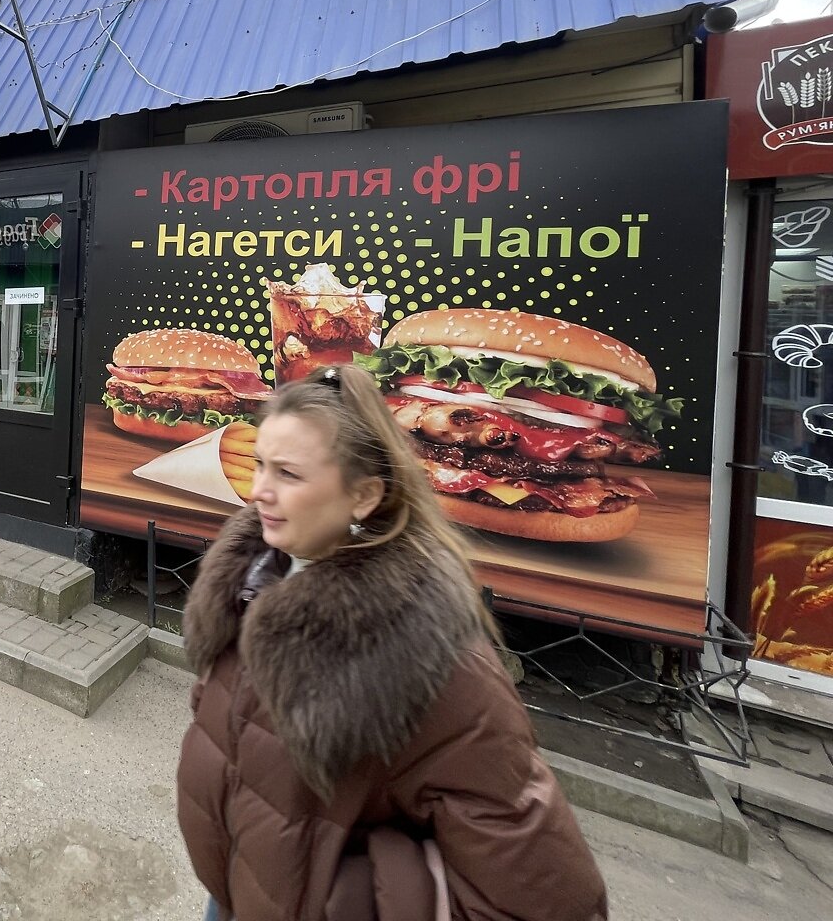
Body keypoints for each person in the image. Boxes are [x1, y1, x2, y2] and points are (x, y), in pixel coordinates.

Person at [177, 364, 607, 921]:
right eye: (259, 464)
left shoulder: (433, 655)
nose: (258, 490)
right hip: (233, 894)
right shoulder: (251, 581)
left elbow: (551, 899)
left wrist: (338, 898)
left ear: (362, 496)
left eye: (288, 473)